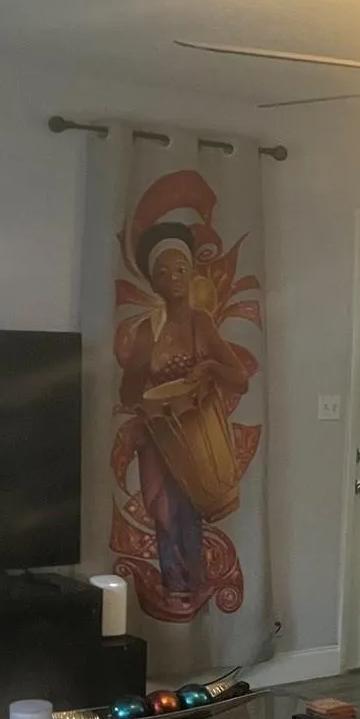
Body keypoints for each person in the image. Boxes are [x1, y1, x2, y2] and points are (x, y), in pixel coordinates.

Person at [116, 222, 249, 595]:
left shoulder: (200, 322)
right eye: (163, 272)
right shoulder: (148, 330)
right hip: (159, 436)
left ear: (192, 274)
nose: (173, 278)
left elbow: (240, 379)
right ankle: (174, 586)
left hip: (194, 433)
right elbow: (128, 392)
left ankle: (192, 588)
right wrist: (137, 367)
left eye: (180, 269)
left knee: (189, 510)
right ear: (153, 282)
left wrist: (211, 368)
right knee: (163, 513)